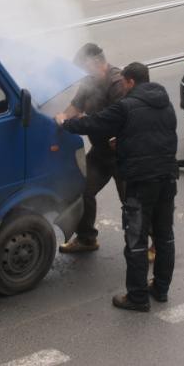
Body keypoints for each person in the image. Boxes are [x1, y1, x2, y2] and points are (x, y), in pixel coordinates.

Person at [56, 63, 178, 312]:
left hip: (140, 181)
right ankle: (161, 289)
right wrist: (123, 143)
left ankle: (137, 297)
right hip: (166, 178)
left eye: (125, 82)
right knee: (165, 238)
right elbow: (158, 136)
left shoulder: (126, 106)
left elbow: (95, 124)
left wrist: (65, 123)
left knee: (135, 239)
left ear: (131, 82)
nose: (123, 85)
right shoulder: (164, 102)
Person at [58, 43, 126, 254]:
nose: (83, 74)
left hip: (122, 154)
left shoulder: (117, 83)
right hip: (100, 152)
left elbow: (115, 119)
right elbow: (76, 106)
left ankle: (154, 244)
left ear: (96, 63)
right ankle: (87, 238)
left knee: (132, 201)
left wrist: (84, 121)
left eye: (84, 68)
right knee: (82, 190)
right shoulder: (89, 81)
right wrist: (61, 118)